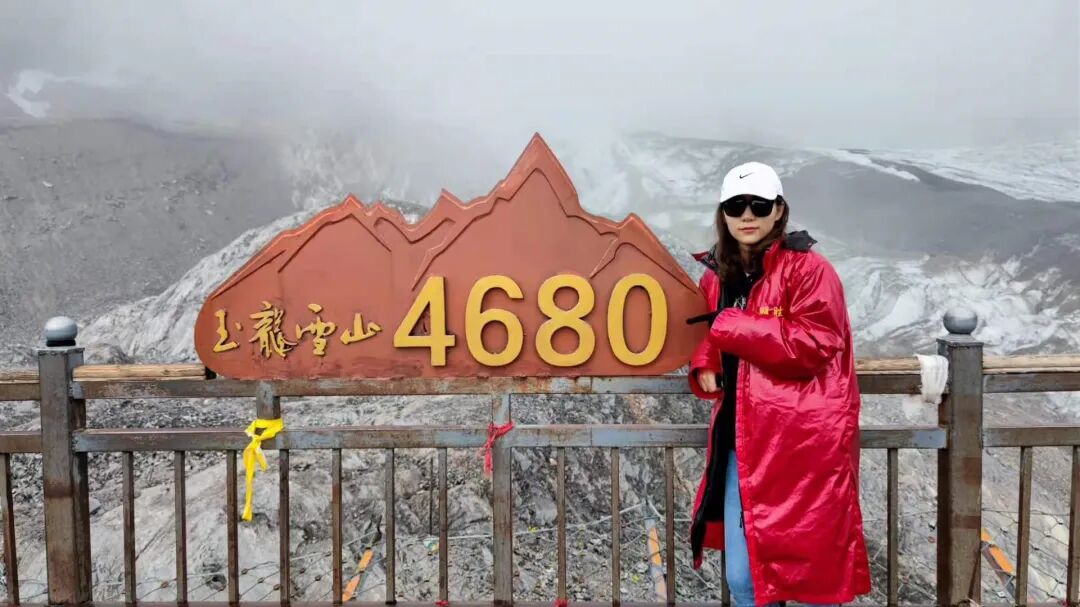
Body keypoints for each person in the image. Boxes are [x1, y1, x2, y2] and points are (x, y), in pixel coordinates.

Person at [685, 162, 871, 606]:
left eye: (759, 205)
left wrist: (731, 327)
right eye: (736, 206)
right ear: (723, 213)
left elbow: (815, 343)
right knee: (744, 578)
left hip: (801, 444)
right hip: (741, 439)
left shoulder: (810, 269)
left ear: (779, 210)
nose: (747, 215)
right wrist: (706, 358)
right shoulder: (715, 274)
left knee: (803, 576)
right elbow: (706, 329)